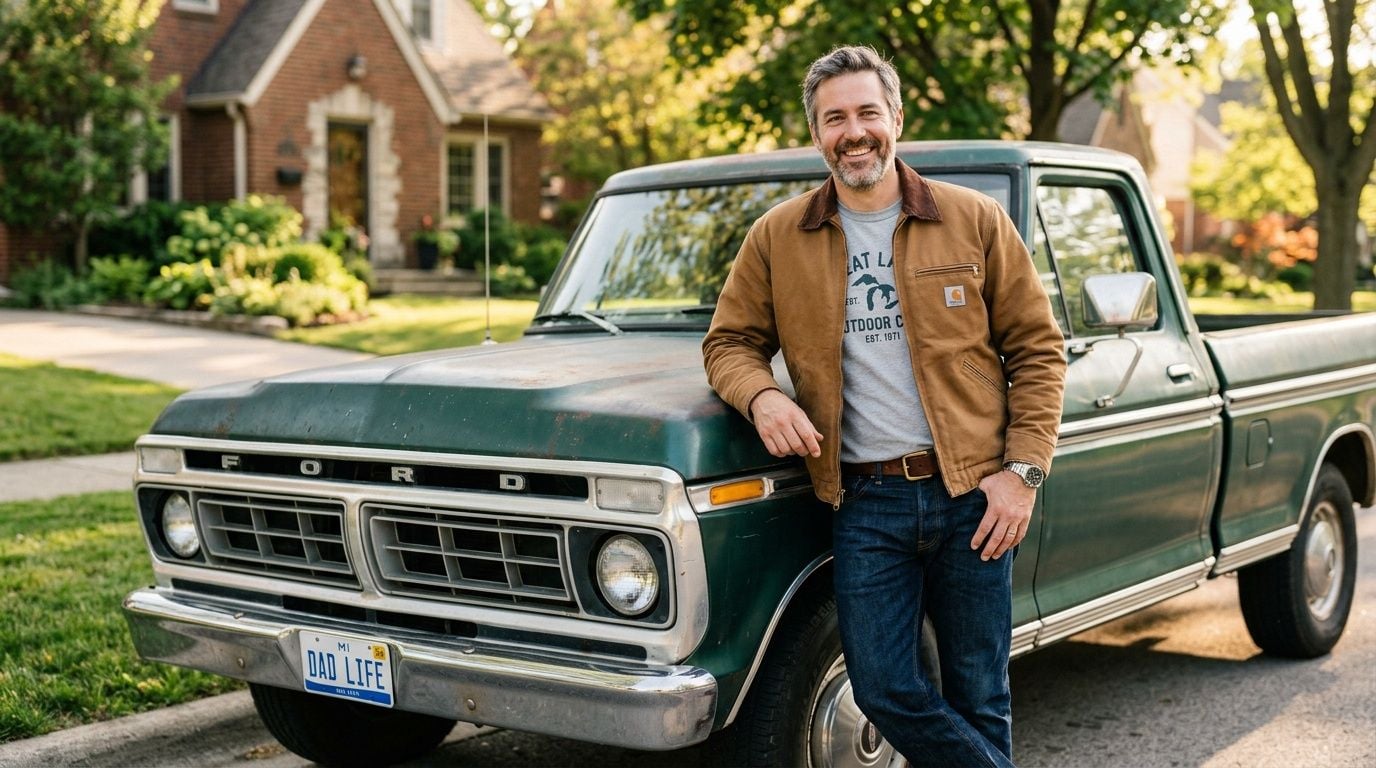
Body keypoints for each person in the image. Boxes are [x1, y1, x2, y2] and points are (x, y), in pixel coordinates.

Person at [702, 45, 1066, 767]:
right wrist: (763, 394)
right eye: (834, 118)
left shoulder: (974, 219)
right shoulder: (778, 236)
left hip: (975, 496)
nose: (854, 130)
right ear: (817, 135)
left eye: (868, 111)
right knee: (885, 688)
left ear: (897, 118)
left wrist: (1021, 474)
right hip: (866, 499)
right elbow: (728, 344)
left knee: (978, 694)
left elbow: (1038, 350)